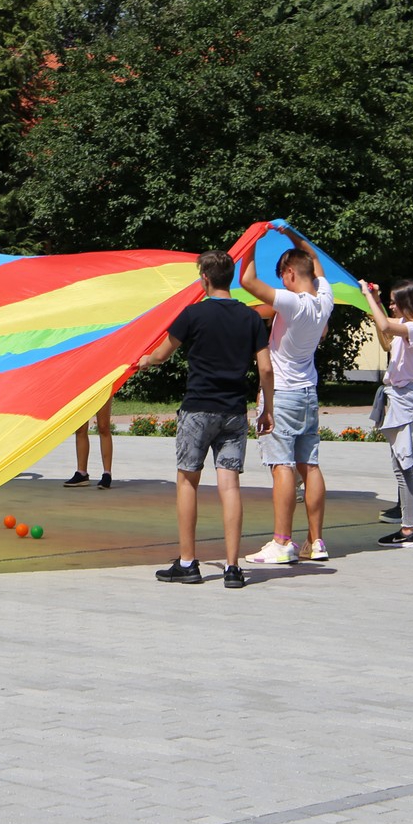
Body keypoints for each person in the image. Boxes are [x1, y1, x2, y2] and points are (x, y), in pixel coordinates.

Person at [139, 250, 273, 589]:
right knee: (230, 486)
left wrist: (145, 360)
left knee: (188, 481)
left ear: (205, 279)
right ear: (230, 278)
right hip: (234, 412)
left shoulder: (193, 314)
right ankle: (232, 568)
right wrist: (267, 408)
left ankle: (188, 563)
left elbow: (162, 354)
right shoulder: (251, 318)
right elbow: (266, 368)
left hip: (198, 409)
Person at [240, 225, 335, 566]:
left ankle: (282, 542)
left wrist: (251, 241)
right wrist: (293, 235)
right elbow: (315, 261)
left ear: (291, 273)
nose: (281, 282)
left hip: (281, 394)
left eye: (282, 276)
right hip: (308, 393)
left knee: (281, 466)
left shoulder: (293, 303)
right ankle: (316, 541)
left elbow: (248, 281)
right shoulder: (326, 298)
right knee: (310, 466)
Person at [362, 279, 413, 549]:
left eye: (395, 302)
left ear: (408, 304)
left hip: (406, 403)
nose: (392, 306)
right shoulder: (408, 327)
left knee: (404, 467)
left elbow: (385, 326)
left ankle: (409, 530)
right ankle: (408, 526)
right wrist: (376, 300)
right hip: (399, 400)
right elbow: (384, 329)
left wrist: (367, 295)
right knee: (401, 466)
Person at [63, 399, 114, 489]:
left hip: (101, 390)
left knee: (103, 426)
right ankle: (81, 473)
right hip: (81, 390)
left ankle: (107, 474)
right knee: (80, 428)